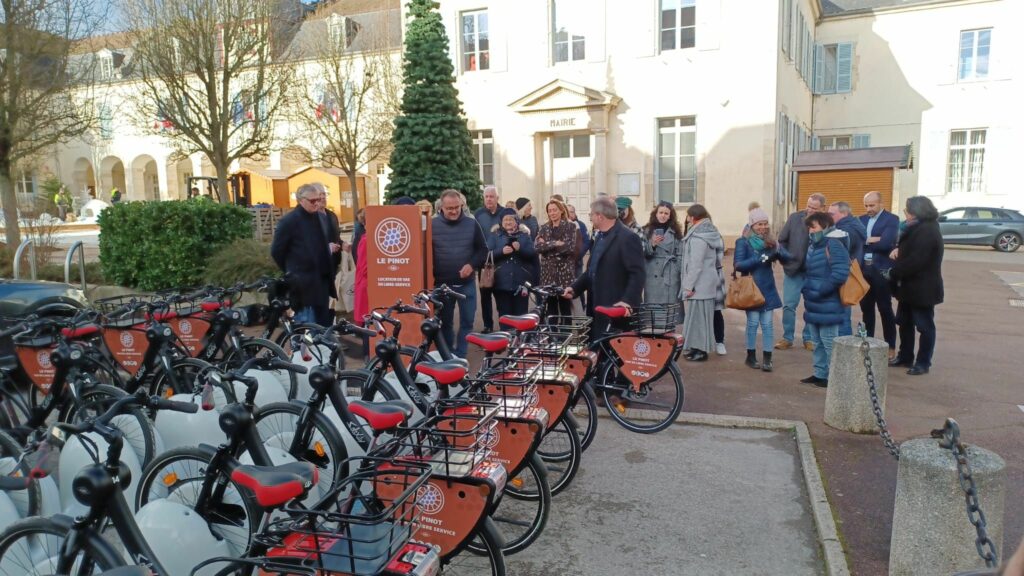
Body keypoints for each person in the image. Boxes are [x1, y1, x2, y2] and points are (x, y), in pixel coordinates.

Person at [563, 197, 645, 340]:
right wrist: (575, 288)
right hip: (596, 305)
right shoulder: (599, 236)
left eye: (591, 214)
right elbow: (592, 270)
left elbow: (638, 274)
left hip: (616, 307)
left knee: (614, 355)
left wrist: (628, 301)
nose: (590, 217)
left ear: (600, 216)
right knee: (597, 350)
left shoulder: (628, 237)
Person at [271, 182, 342, 327]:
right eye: (313, 201)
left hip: (322, 282)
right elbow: (277, 251)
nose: (317, 203)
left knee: (322, 328)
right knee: (306, 329)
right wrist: (292, 270)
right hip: (303, 284)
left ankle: (321, 348)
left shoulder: (321, 217)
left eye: (319, 199)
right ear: (301, 200)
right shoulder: (289, 221)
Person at [888, 196, 944, 376]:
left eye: (907, 210)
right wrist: (898, 249)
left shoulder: (927, 230)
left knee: (924, 326)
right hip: (908, 286)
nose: (906, 214)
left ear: (916, 212)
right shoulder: (914, 228)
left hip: (923, 288)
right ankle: (905, 356)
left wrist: (894, 272)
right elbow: (907, 250)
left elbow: (917, 260)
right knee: (904, 323)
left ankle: (923, 362)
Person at [432, 189, 488, 358]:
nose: (455, 211)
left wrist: (471, 265)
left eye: (457, 207)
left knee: (467, 321)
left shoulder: (472, 223)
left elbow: (483, 250)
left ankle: (461, 354)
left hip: (467, 284)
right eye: (450, 208)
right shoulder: (432, 225)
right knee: (445, 322)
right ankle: (448, 355)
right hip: (443, 285)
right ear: (441, 208)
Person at [734, 208, 791, 372]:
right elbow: (739, 265)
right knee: (752, 324)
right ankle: (750, 356)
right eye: (759, 224)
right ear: (752, 225)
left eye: (765, 223)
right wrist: (761, 258)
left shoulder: (771, 241)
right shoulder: (743, 242)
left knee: (767, 325)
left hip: (767, 289)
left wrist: (779, 249)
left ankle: (768, 359)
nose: (763, 227)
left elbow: (787, 258)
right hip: (751, 290)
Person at [800, 212, 850, 387]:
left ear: (825, 226)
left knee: (829, 343)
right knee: (817, 342)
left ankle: (834, 378)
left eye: (813, 227)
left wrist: (820, 291)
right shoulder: (815, 244)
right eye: (809, 227)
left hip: (828, 302)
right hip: (813, 302)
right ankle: (820, 374)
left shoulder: (834, 244)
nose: (810, 230)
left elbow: (840, 273)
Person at [777, 193, 828, 351]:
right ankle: (787, 338)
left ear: (823, 208)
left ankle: (808, 338)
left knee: (811, 306)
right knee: (789, 306)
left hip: (814, 272)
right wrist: (785, 259)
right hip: (793, 271)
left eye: (814, 208)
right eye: (809, 206)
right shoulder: (794, 218)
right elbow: (782, 240)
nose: (810, 210)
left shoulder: (826, 223)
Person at [680, 204, 724, 362]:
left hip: (700, 284)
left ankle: (701, 351)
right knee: (700, 318)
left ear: (692, 217)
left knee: (699, 319)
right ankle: (696, 348)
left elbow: (695, 264)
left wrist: (688, 285)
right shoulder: (707, 232)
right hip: (706, 282)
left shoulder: (699, 236)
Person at [859, 191, 900, 359]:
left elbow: (886, 243)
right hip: (864, 271)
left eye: (872, 205)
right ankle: (867, 343)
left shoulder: (892, 219)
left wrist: (866, 241)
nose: (869, 209)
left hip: (881, 271)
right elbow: (856, 241)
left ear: (881, 203)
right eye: (866, 205)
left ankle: (890, 346)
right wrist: (871, 239)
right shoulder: (861, 219)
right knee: (866, 309)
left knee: (885, 309)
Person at [487, 207, 537, 316]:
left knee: (521, 316)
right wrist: (501, 251)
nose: (508, 222)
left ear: (516, 222)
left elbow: (532, 255)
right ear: (501, 222)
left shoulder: (524, 236)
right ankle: (506, 333)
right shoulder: (495, 236)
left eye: (511, 219)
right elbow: (486, 254)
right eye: (505, 220)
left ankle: (519, 334)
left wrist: (520, 250)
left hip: (521, 283)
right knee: (505, 316)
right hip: (501, 284)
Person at [642, 201, 684, 327]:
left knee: (669, 310)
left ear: (670, 215)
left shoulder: (676, 232)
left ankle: (669, 338)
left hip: (669, 274)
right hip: (652, 275)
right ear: (656, 214)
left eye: (666, 213)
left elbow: (680, 254)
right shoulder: (646, 230)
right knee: (653, 310)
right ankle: (654, 338)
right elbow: (641, 252)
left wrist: (676, 270)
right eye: (660, 212)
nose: (663, 215)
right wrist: (652, 244)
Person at [828, 201, 867, 336]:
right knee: (843, 315)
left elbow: (840, 254)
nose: (829, 216)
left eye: (832, 214)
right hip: (847, 274)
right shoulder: (853, 226)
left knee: (842, 317)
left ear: (844, 213)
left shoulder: (845, 231)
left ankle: (843, 351)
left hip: (844, 276)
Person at [535, 199, 578, 317]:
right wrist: (554, 243)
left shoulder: (570, 226)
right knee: (551, 309)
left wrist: (547, 245)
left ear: (561, 211)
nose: (552, 213)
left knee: (565, 309)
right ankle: (552, 334)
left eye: (554, 210)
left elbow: (568, 248)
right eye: (550, 211)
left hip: (564, 274)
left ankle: (566, 335)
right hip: (548, 274)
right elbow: (538, 247)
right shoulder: (543, 228)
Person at [474, 186, 503, 333]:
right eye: (486, 197)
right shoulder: (478, 214)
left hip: (501, 261)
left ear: (497, 198)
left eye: (492, 196)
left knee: (500, 294)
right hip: (484, 262)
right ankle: (488, 325)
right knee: (485, 295)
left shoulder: (504, 213)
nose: (489, 199)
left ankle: (504, 325)